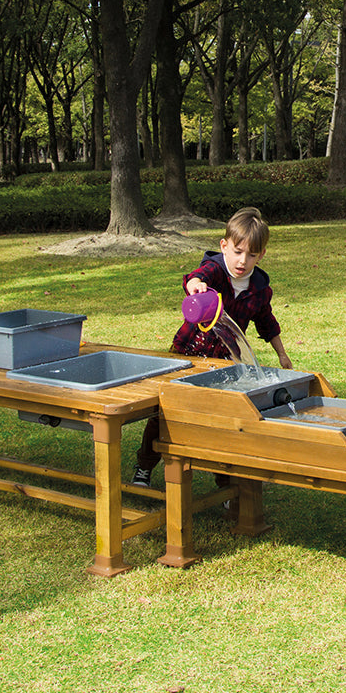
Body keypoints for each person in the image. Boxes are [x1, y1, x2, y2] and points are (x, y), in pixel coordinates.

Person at [132, 206, 293, 487]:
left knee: (227, 419)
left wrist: (282, 353)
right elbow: (196, 275)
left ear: (262, 254)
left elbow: (267, 321)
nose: (243, 260)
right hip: (188, 353)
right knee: (165, 414)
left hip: (226, 362)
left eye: (252, 254)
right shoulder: (216, 272)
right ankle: (144, 466)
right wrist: (195, 285)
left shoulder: (259, 289)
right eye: (237, 251)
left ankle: (226, 482)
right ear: (224, 246)